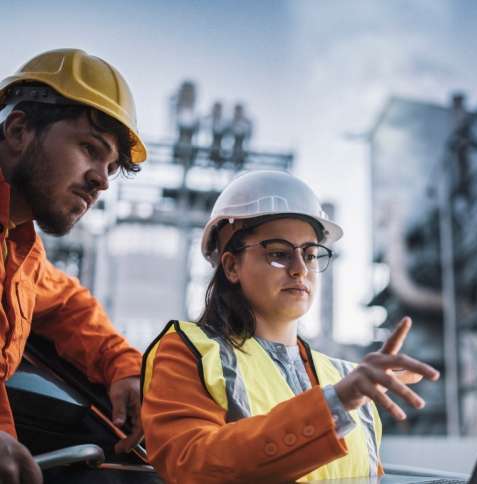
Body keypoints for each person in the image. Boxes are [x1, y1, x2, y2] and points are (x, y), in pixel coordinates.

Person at [141, 170, 440, 483]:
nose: (300, 269)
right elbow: (192, 465)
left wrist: (342, 398)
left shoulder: (345, 380)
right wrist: (334, 405)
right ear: (231, 266)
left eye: (310, 255)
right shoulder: (189, 353)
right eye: (279, 254)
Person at [0, 48, 148, 483]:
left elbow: (67, 305)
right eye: (89, 148)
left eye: (111, 166)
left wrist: (124, 366)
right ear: (19, 130)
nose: (102, 180)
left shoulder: (19, 249)